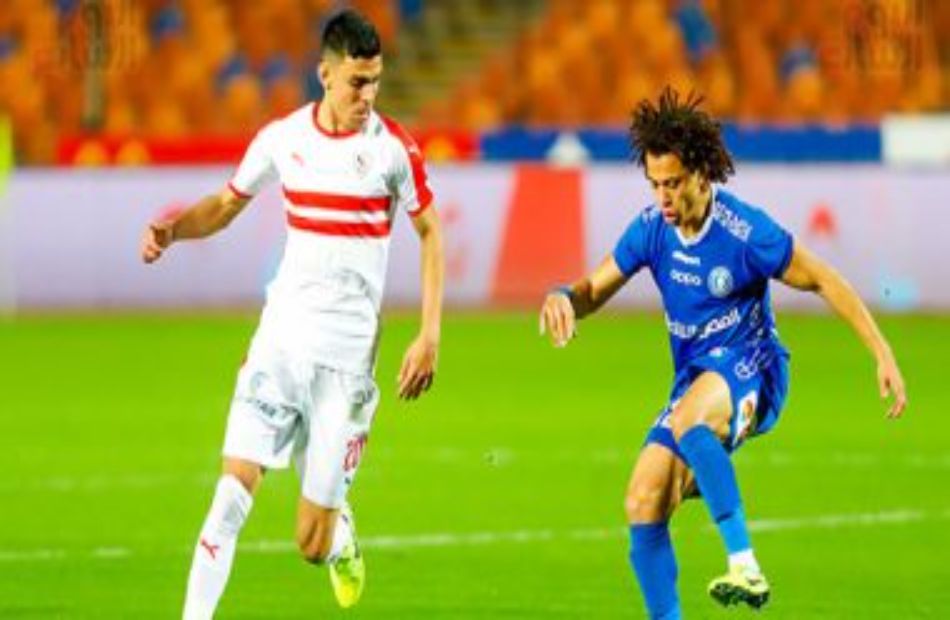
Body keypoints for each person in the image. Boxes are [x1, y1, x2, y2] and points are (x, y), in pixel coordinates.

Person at [539, 88, 906, 619]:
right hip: (696, 378)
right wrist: (563, 297)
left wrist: (882, 352)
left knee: (690, 418)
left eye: (672, 183)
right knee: (643, 498)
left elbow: (823, 279)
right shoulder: (651, 231)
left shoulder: (745, 233)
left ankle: (744, 564)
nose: (663, 198)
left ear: (702, 175)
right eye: (654, 184)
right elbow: (593, 289)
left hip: (755, 367)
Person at [140, 10, 444, 619]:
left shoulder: (392, 151)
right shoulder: (283, 139)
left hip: (346, 364)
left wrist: (429, 334)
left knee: (310, 543)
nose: (368, 96)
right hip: (280, 343)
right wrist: (175, 231)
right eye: (357, 82)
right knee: (230, 498)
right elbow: (225, 205)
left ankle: (340, 535)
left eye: (375, 81)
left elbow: (431, 233)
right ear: (325, 75)